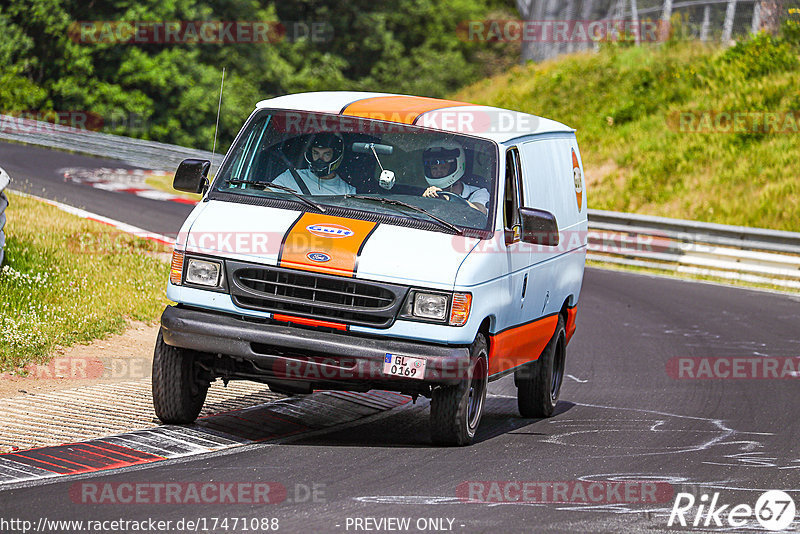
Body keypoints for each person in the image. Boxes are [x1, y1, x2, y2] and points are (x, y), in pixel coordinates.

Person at [272, 133, 356, 195]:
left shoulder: (347, 192)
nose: (320, 159)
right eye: (316, 153)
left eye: (326, 154)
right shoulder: (290, 177)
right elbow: (265, 198)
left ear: (336, 156)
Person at [420, 140, 489, 214]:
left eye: (443, 168)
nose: (438, 172)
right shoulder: (430, 193)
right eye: (434, 168)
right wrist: (426, 202)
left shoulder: (478, 192)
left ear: (456, 166)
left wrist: (448, 198)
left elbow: (480, 212)